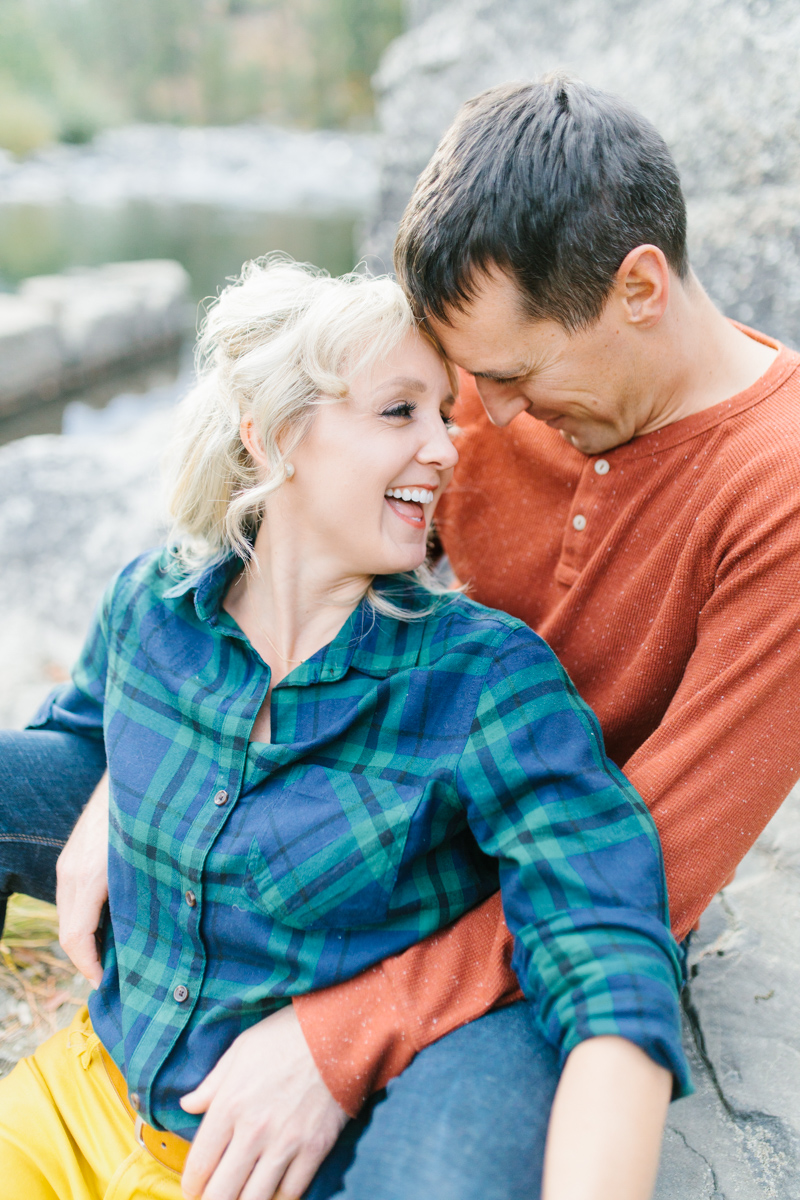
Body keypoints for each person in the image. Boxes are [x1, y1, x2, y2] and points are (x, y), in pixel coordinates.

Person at [3, 71, 799, 1196]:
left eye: (508, 380)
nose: (482, 425)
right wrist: (116, 791)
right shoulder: (474, 363)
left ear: (638, 289)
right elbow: (293, 480)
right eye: (457, 389)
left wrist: (342, 1033)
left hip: (517, 889)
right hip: (315, 771)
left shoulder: (779, 490)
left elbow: (645, 870)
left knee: (441, 1170)